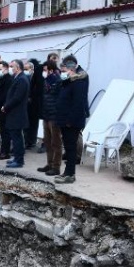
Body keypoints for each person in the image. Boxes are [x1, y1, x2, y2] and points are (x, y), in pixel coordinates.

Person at [55, 56, 89, 184]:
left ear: (71, 69)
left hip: (71, 122)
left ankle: (70, 174)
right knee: (68, 147)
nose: (62, 73)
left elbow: (78, 104)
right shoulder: (69, 81)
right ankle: (67, 173)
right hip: (65, 120)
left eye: (64, 71)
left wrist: (70, 121)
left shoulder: (78, 83)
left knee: (70, 148)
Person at [2, 59, 29, 168]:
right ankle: (17, 158)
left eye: (12, 66)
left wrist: (6, 106)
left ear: (17, 67)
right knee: (15, 137)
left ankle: (19, 161)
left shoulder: (22, 79)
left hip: (17, 114)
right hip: (13, 113)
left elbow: (17, 98)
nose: (10, 68)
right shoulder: (17, 78)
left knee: (17, 138)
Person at [37, 60, 63, 176]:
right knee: (47, 142)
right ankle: (49, 163)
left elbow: (60, 100)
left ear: (51, 70)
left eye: (45, 70)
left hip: (55, 116)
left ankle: (56, 167)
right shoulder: (46, 81)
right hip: (46, 115)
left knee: (56, 143)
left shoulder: (58, 82)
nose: (44, 72)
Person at [24, 59, 43, 150]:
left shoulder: (36, 77)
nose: (25, 71)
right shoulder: (24, 77)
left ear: (32, 69)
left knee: (33, 124)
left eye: (27, 69)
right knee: (26, 125)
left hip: (34, 105)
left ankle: (32, 141)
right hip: (26, 105)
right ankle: (27, 141)